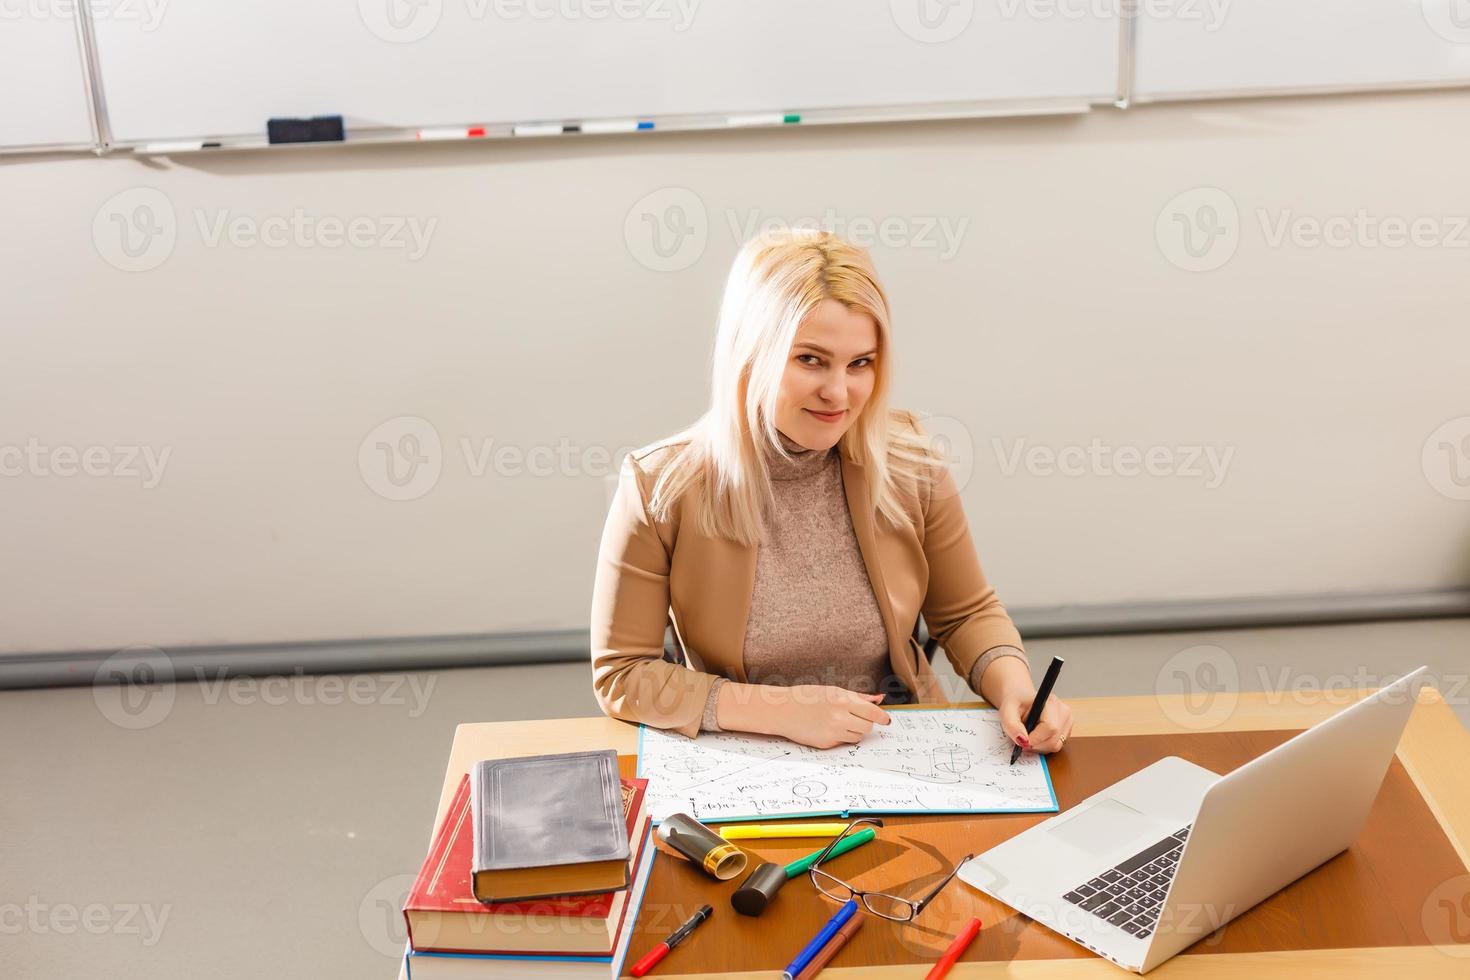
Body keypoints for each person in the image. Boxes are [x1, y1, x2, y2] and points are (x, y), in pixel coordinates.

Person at [590, 228, 1071, 754]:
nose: (838, 393)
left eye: (860, 363)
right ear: (751, 356)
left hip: (897, 748)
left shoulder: (911, 459)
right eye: (810, 360)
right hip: (741, 759)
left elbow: (966, 613)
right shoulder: (660, 485)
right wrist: (781, 710)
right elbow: (624, 672)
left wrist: (1015, 688)